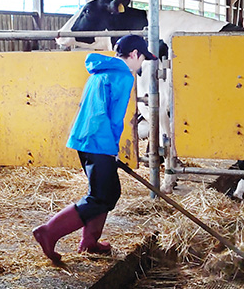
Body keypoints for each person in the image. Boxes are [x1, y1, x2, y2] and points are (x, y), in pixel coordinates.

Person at [32, 35, 156, 264]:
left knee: (103, 193)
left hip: (85, 138)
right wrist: (110, 149)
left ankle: (90, 242)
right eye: (143, 58)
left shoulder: (100, 71)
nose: (142, 64)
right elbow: (113, 117)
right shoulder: (122, 76)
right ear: (135, 54)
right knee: (103, 196)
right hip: (99, 140)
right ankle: (49, 231)